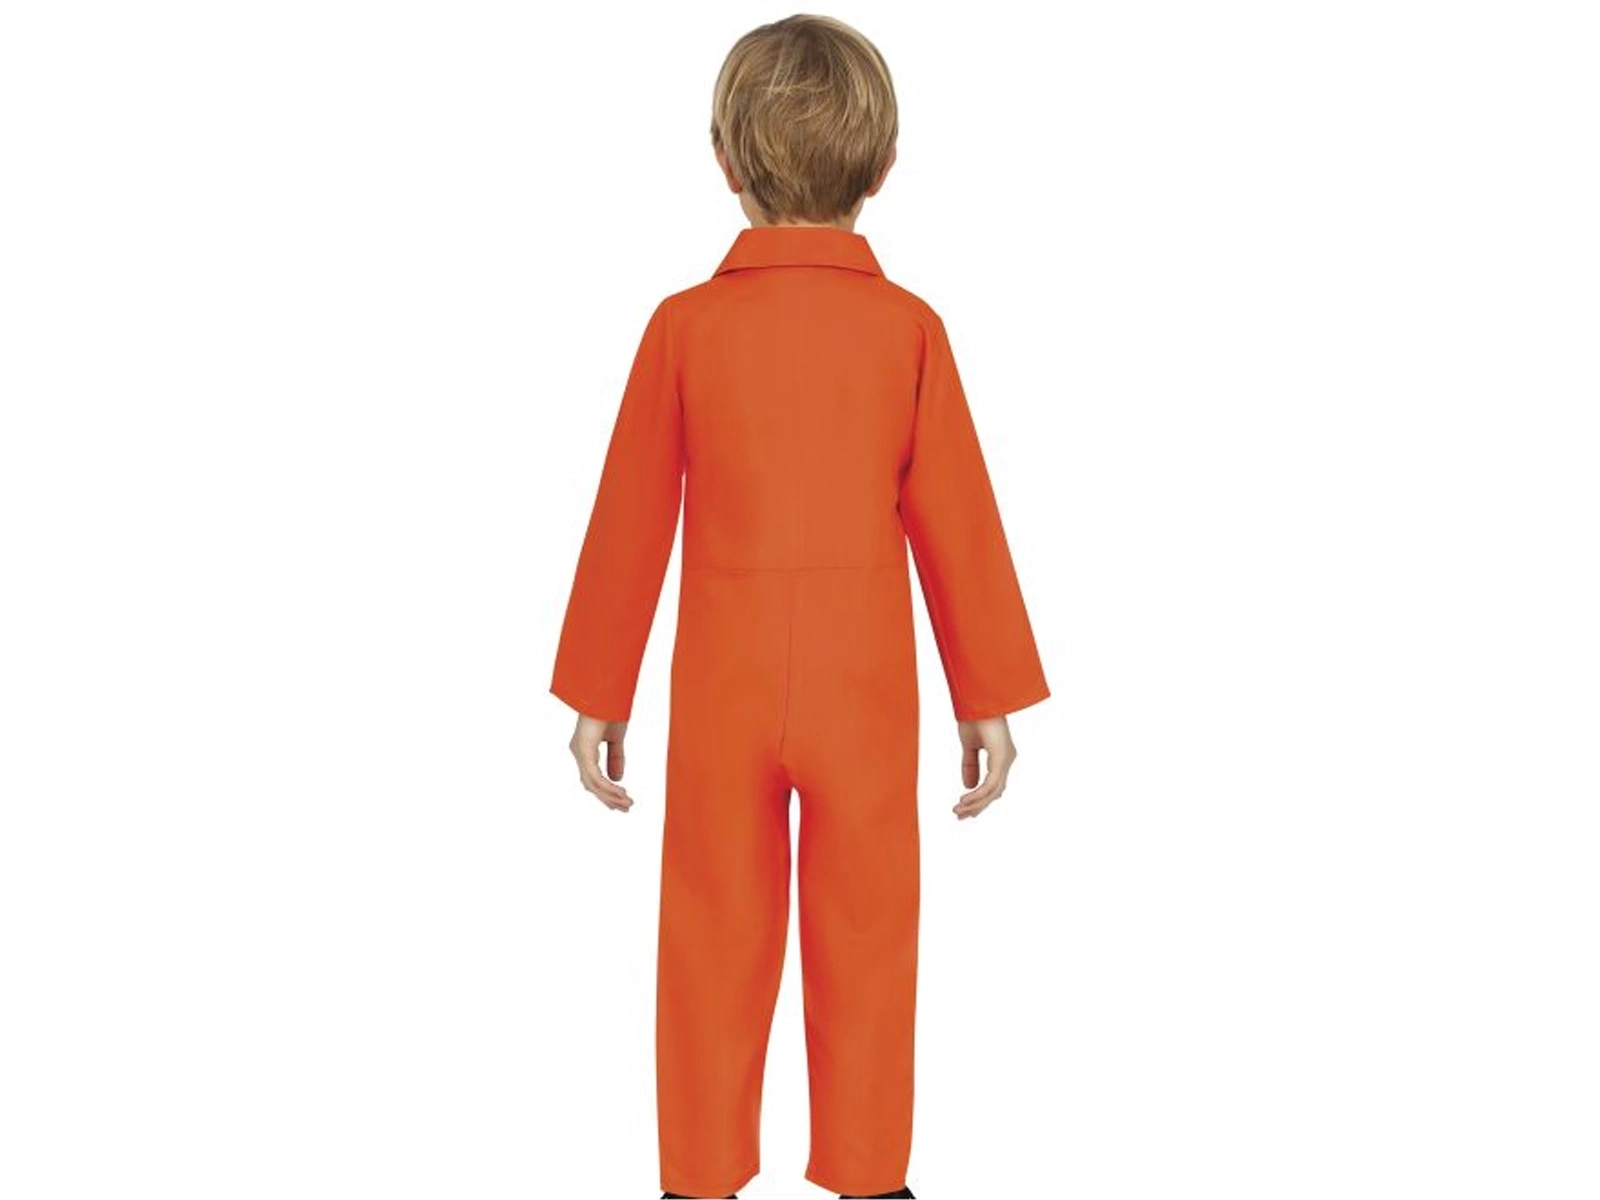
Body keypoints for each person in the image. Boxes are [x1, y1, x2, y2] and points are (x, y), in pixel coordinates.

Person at [550, 14, 1050, 1199]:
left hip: (722, 690)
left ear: (724, 159)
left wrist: (597, 692)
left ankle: (698, 1181)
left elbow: (631, 515)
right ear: (884, 168)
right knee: (868, 937)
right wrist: (984, 695)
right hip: (861, 692)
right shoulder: (906, 330)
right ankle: (872, 1181)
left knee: (709, 938)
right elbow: (956, 517)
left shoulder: (684, 327)